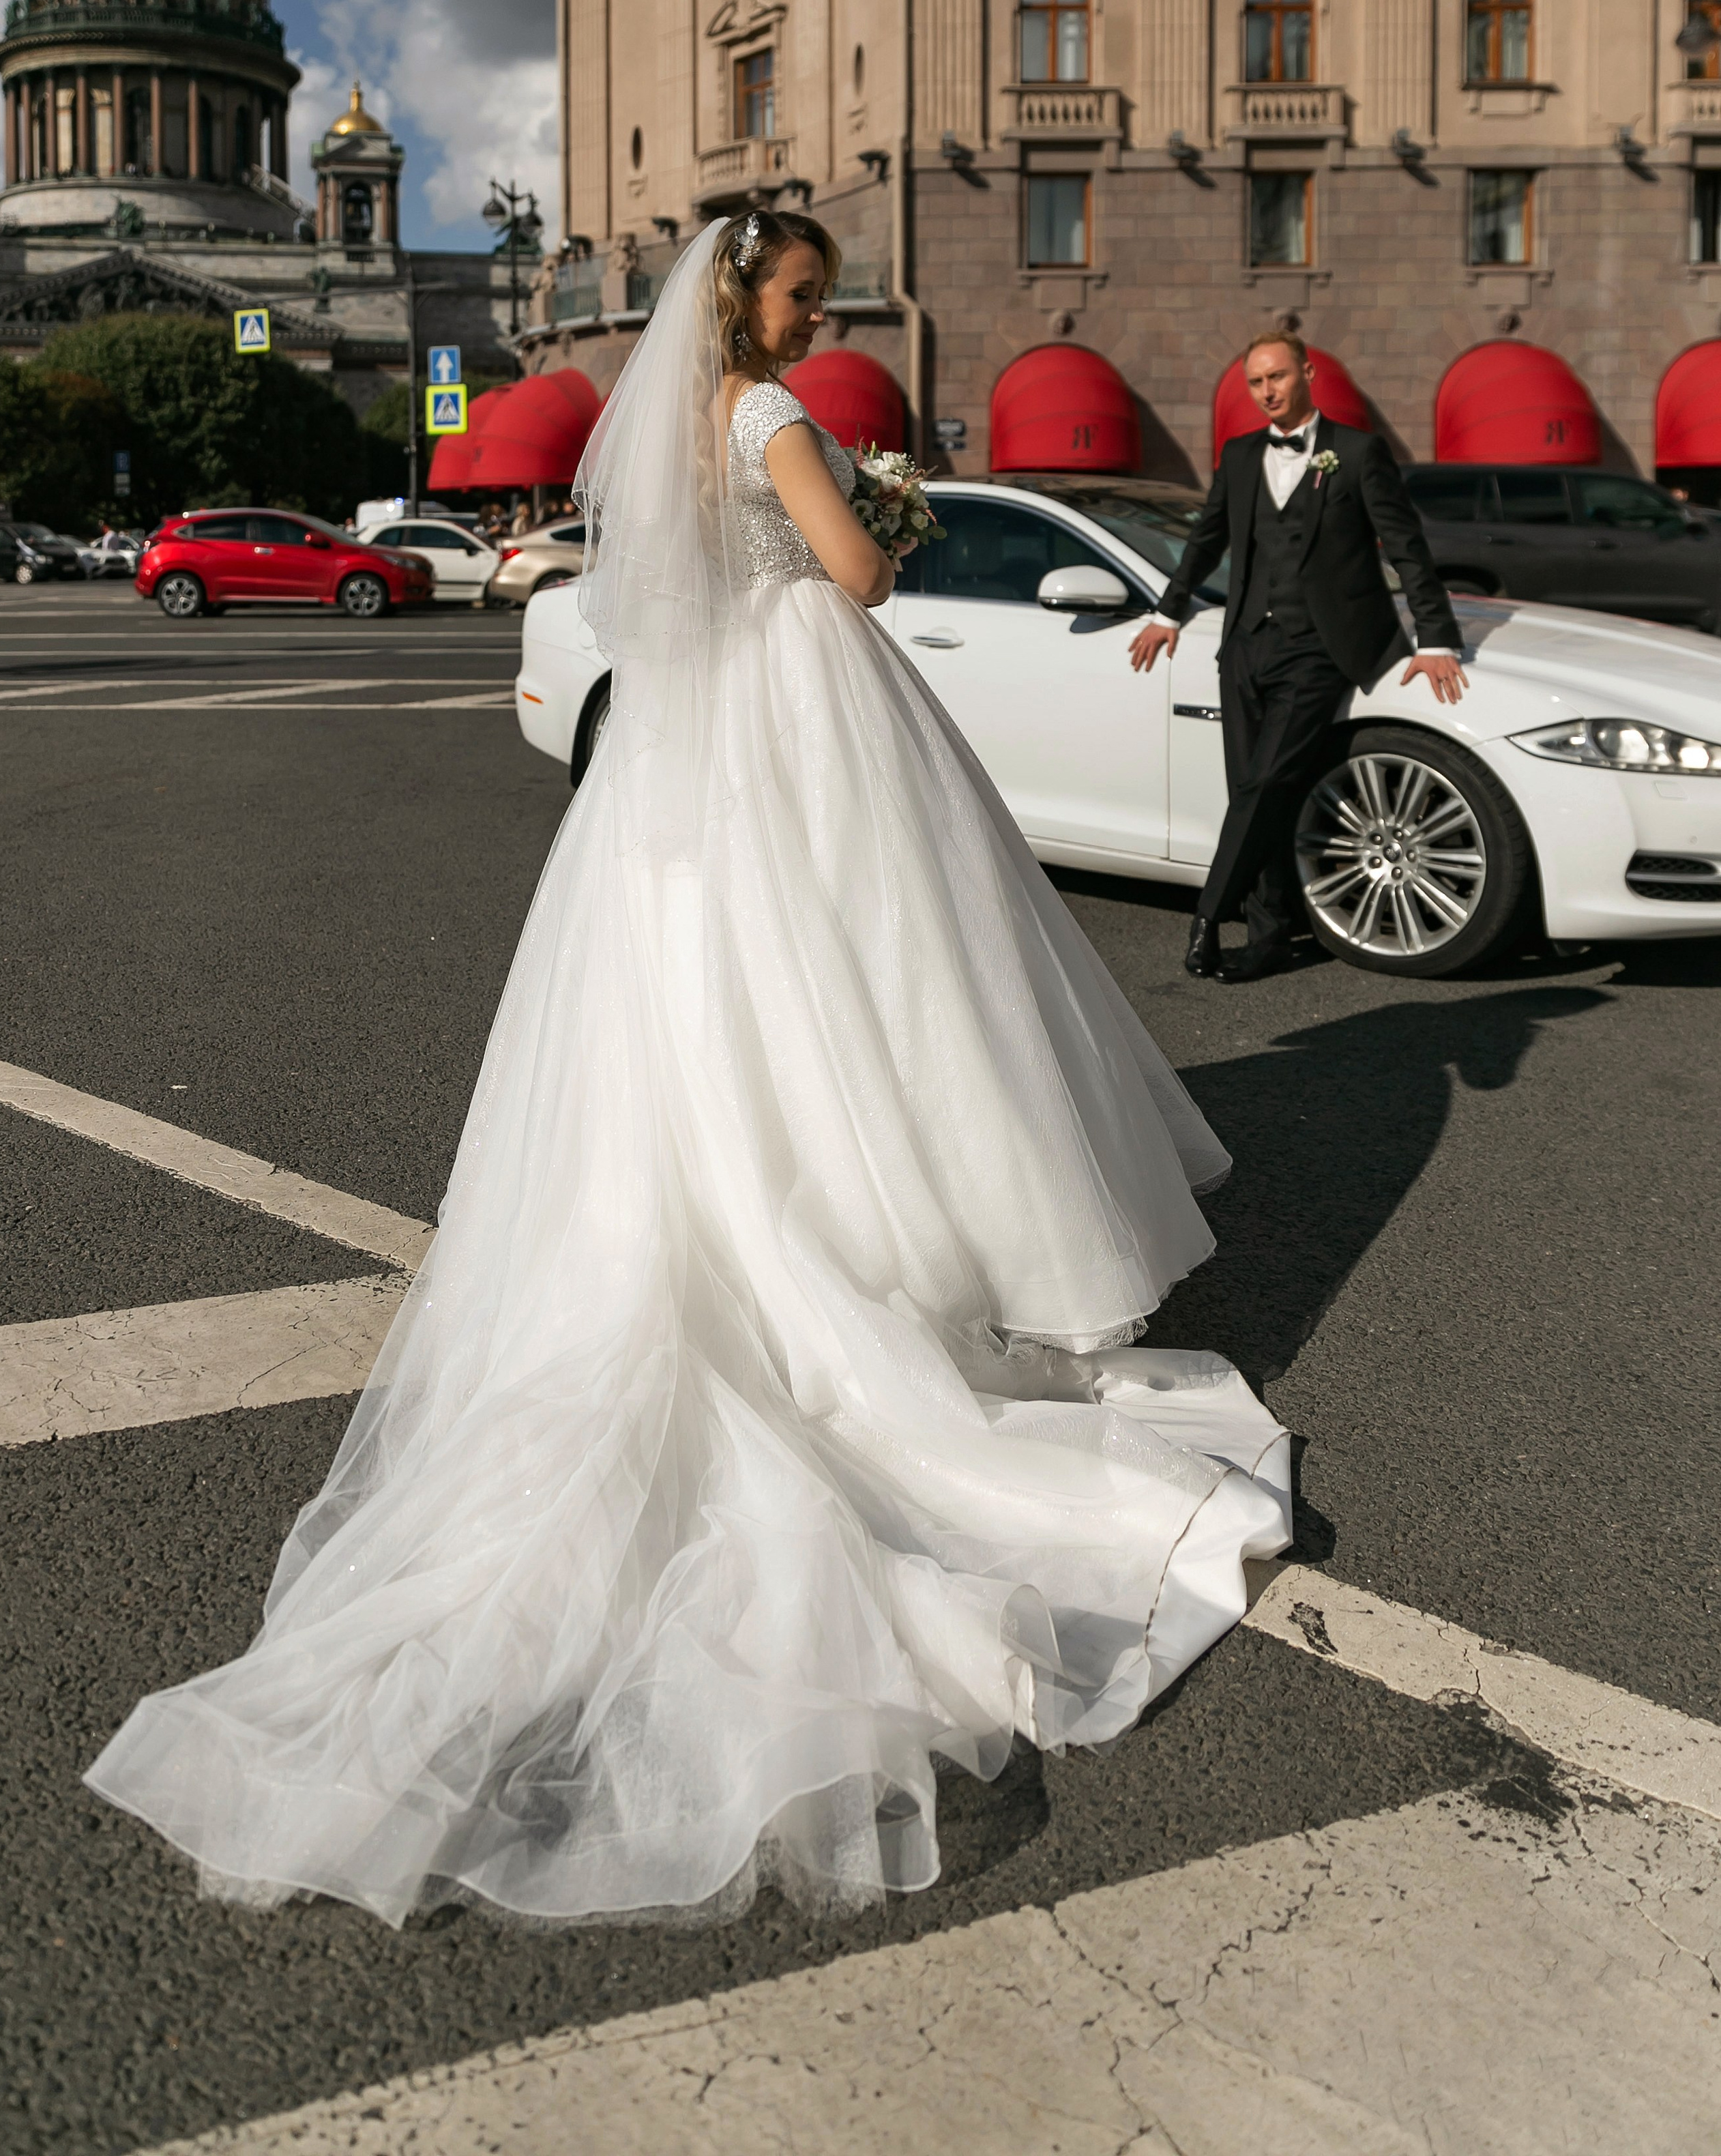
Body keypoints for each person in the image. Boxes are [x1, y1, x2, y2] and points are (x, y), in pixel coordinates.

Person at [85, 215, 1290, 1931]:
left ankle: (782, 1220)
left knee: (719, 998)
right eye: (802, 293)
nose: (817, 313)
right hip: (809, 710)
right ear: (746, 297)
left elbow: (664, 583)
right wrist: (877, 513)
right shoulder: (771, 414)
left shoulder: (667, 425)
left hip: (699, 738)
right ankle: (919, 1256)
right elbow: (855, 579)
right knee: (880, 983)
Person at [1130, 333, 1467, 984]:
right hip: (1245, 646)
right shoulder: (1239, 455)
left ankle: (1209, 915)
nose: (1268, 392)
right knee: (1253, 790)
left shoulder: (1358, 452)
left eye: (1278, 377)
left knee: (1264, 784)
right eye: (1256, 383)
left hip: (1321, 647)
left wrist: (1436, 639)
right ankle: (1270, 936)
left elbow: (1406, 546)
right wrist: (1168, 613)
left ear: (1308, 373)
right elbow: (1205, 541)